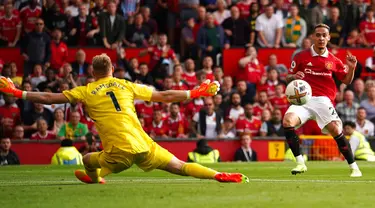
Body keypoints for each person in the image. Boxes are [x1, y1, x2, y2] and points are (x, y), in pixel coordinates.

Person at [0, 53, 248, 184]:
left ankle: (97, 177)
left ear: (93, 73)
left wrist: (17, 91)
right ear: (110, 71)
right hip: (144, 145)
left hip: (118, 153)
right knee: (180, 167)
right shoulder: (125, 85)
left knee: (87, 158)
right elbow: (163, 95)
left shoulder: (85, 90)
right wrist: (195, 92)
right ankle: (219, 175)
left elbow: (49, 98)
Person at [284, 23, 362, 177]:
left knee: (335, 130)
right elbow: (287, 77)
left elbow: (346, 81)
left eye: (324, 35)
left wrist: (351, 68)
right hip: (303, 99)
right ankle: (300, 164)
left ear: (328, 38)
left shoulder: (334, 60)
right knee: (287, 121)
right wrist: (293, 77)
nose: (320, 38)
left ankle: (354, 167)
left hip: (323, 100)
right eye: (317, 35)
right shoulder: (300, 56)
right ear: (313, 37)